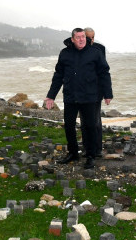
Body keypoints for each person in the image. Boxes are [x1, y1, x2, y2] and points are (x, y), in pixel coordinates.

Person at [45, 28, 113, 169]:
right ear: (72, 39)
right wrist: (51, 96)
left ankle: (90, 156)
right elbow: (58, 76)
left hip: (89, 97)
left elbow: (104, 73)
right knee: (69, 126)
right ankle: (73, 153)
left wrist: (108, 94)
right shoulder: (65, 54)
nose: (81, 39)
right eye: (78, 37)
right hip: (70, 96)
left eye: (83, 37)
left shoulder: (95, 53)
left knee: (90, 127)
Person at [84, 27, 106, 157]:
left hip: (97, 90)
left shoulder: (100, 49)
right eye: (88, 37)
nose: (91, 40)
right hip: (82, 91)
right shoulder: (78, 50)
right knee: (85, 121)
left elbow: (103, 70)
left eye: (93, 37)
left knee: (96, 120)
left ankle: (97, 149)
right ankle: (87, 148)